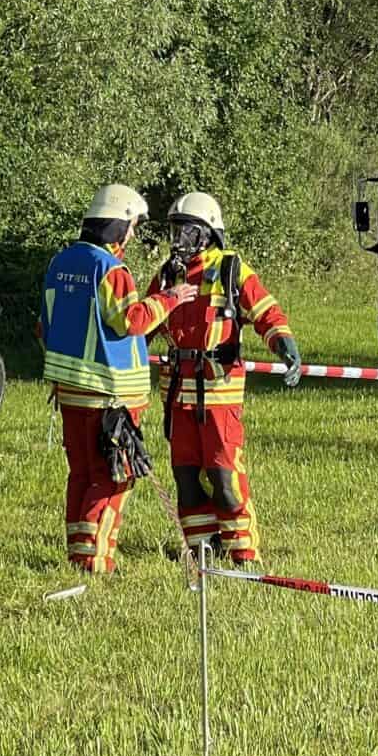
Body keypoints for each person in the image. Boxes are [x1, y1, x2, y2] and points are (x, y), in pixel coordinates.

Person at [39, 185, 194, 573]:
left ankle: (78, 553)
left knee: (81, 474)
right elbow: (131, 321)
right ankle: (95, 559)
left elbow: (45, 326)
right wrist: (172, 297)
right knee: (113, 478)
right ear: (119, 225)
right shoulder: (110, 270)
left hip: (69, 391)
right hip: (109, 395)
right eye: (133, 226)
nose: (133, 235)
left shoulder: (60, 262)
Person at [148, 191, 302, 567]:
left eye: (188, 231)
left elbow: (266, 313)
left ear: (208, 233)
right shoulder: (168, 275)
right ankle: (202, 548)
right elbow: (144, 320)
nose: (179, 239)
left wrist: (285, 346)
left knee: (224, 475)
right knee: (186, 477)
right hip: (177, 394)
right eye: (176, 230)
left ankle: (242, 552)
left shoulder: (232, 269)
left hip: (219, 393)